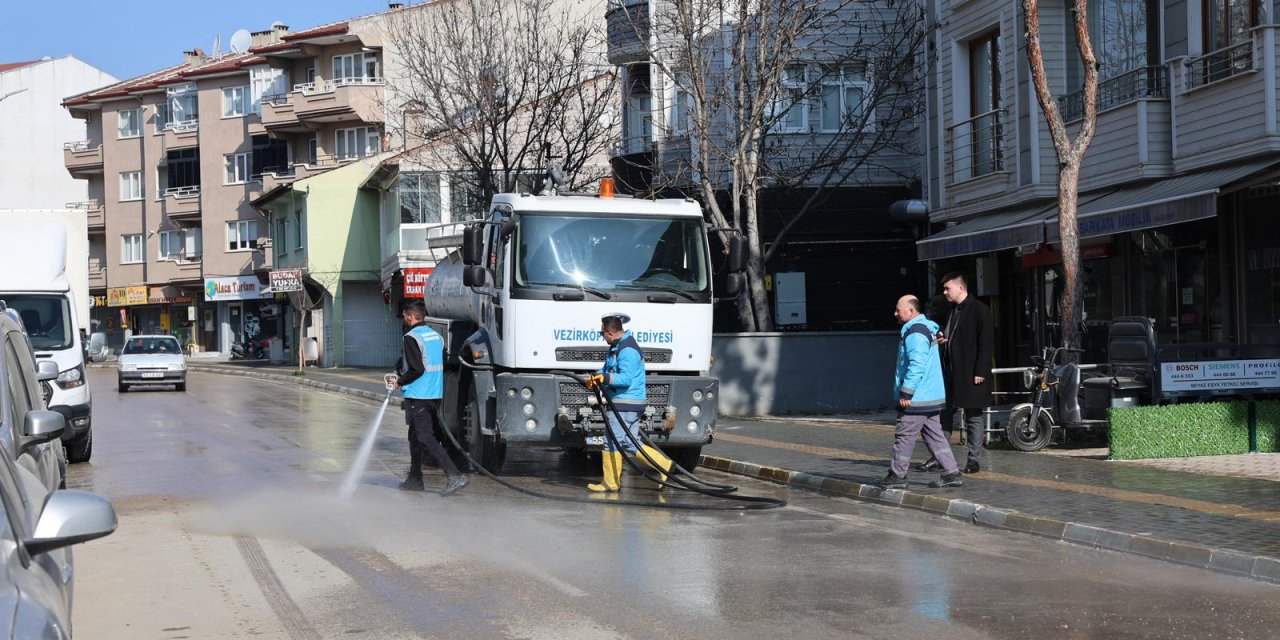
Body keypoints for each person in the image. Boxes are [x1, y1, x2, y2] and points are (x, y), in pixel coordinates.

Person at [877, 295, 963, 489]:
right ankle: (951, 473)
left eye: (898, 310)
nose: (895, 313)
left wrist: (906, 392)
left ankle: (897, 476)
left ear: (911, 311)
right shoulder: (926, 328)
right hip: (931, 396)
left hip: (917, 398)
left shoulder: (915, 333)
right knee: (935, 436)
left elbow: (917, 364)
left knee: (904, 435)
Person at [585, 313, 674, 493]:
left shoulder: (627, 350)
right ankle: (664, 465)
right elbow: (607, 369)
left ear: (610, 333)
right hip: (627, 403)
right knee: (629, 443)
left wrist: (606, 378)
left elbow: (625, 378)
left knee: (611, 442)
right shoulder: (618, 348)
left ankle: (611, 483)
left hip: (625, 404)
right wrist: (596, 375)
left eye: (603, 335)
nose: (603, 338)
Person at [389, 300, 469, 496]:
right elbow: (433, 362)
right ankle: (415, 479)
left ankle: (454, 475)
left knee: (425, 437)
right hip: (434, 393)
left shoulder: (411, 337)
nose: (404, 320)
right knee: (414, 436)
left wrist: (399, 380)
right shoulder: (435, 336)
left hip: (419, 394)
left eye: (405, 317)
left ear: (410, 316)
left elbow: (417, 368)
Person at [922, 272, 994, 474]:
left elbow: (986, 343)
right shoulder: (951, 310)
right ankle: (940, 456)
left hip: (971, 373)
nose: (945, 292)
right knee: (944, 415)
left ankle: (973, 459)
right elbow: (951, 334)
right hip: (951, 373)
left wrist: (980, 371)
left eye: (948, 288)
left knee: (973, 415)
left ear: (960, 288)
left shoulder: (979, 310)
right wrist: (943, 338)